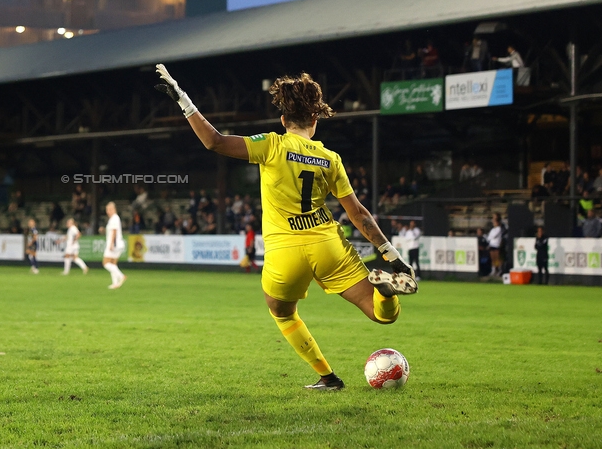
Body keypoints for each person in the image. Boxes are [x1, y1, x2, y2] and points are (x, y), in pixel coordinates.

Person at [154, 64, 416, 391]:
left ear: (283, 121)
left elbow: (215, 142)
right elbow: (359, 214)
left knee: (281, 311)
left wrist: (183, 99)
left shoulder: (273, 145)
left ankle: (328, 377)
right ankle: (387, 293)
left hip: (285, 251)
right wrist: (391, 256)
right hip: (327, 245)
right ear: (315, 121)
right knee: (381, 315)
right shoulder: (330, 158)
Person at [103, 202, 127, 289]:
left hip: (114, 244)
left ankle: (121, 276)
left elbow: (114, 232)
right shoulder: (114, 218)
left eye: (109, 209)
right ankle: (115, 283)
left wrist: (111, 244)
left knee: (106, 263)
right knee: (113, 264)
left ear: (114, 209)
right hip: (118, 244)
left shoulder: (114, 218)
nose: (107, 211)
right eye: (107, 210)